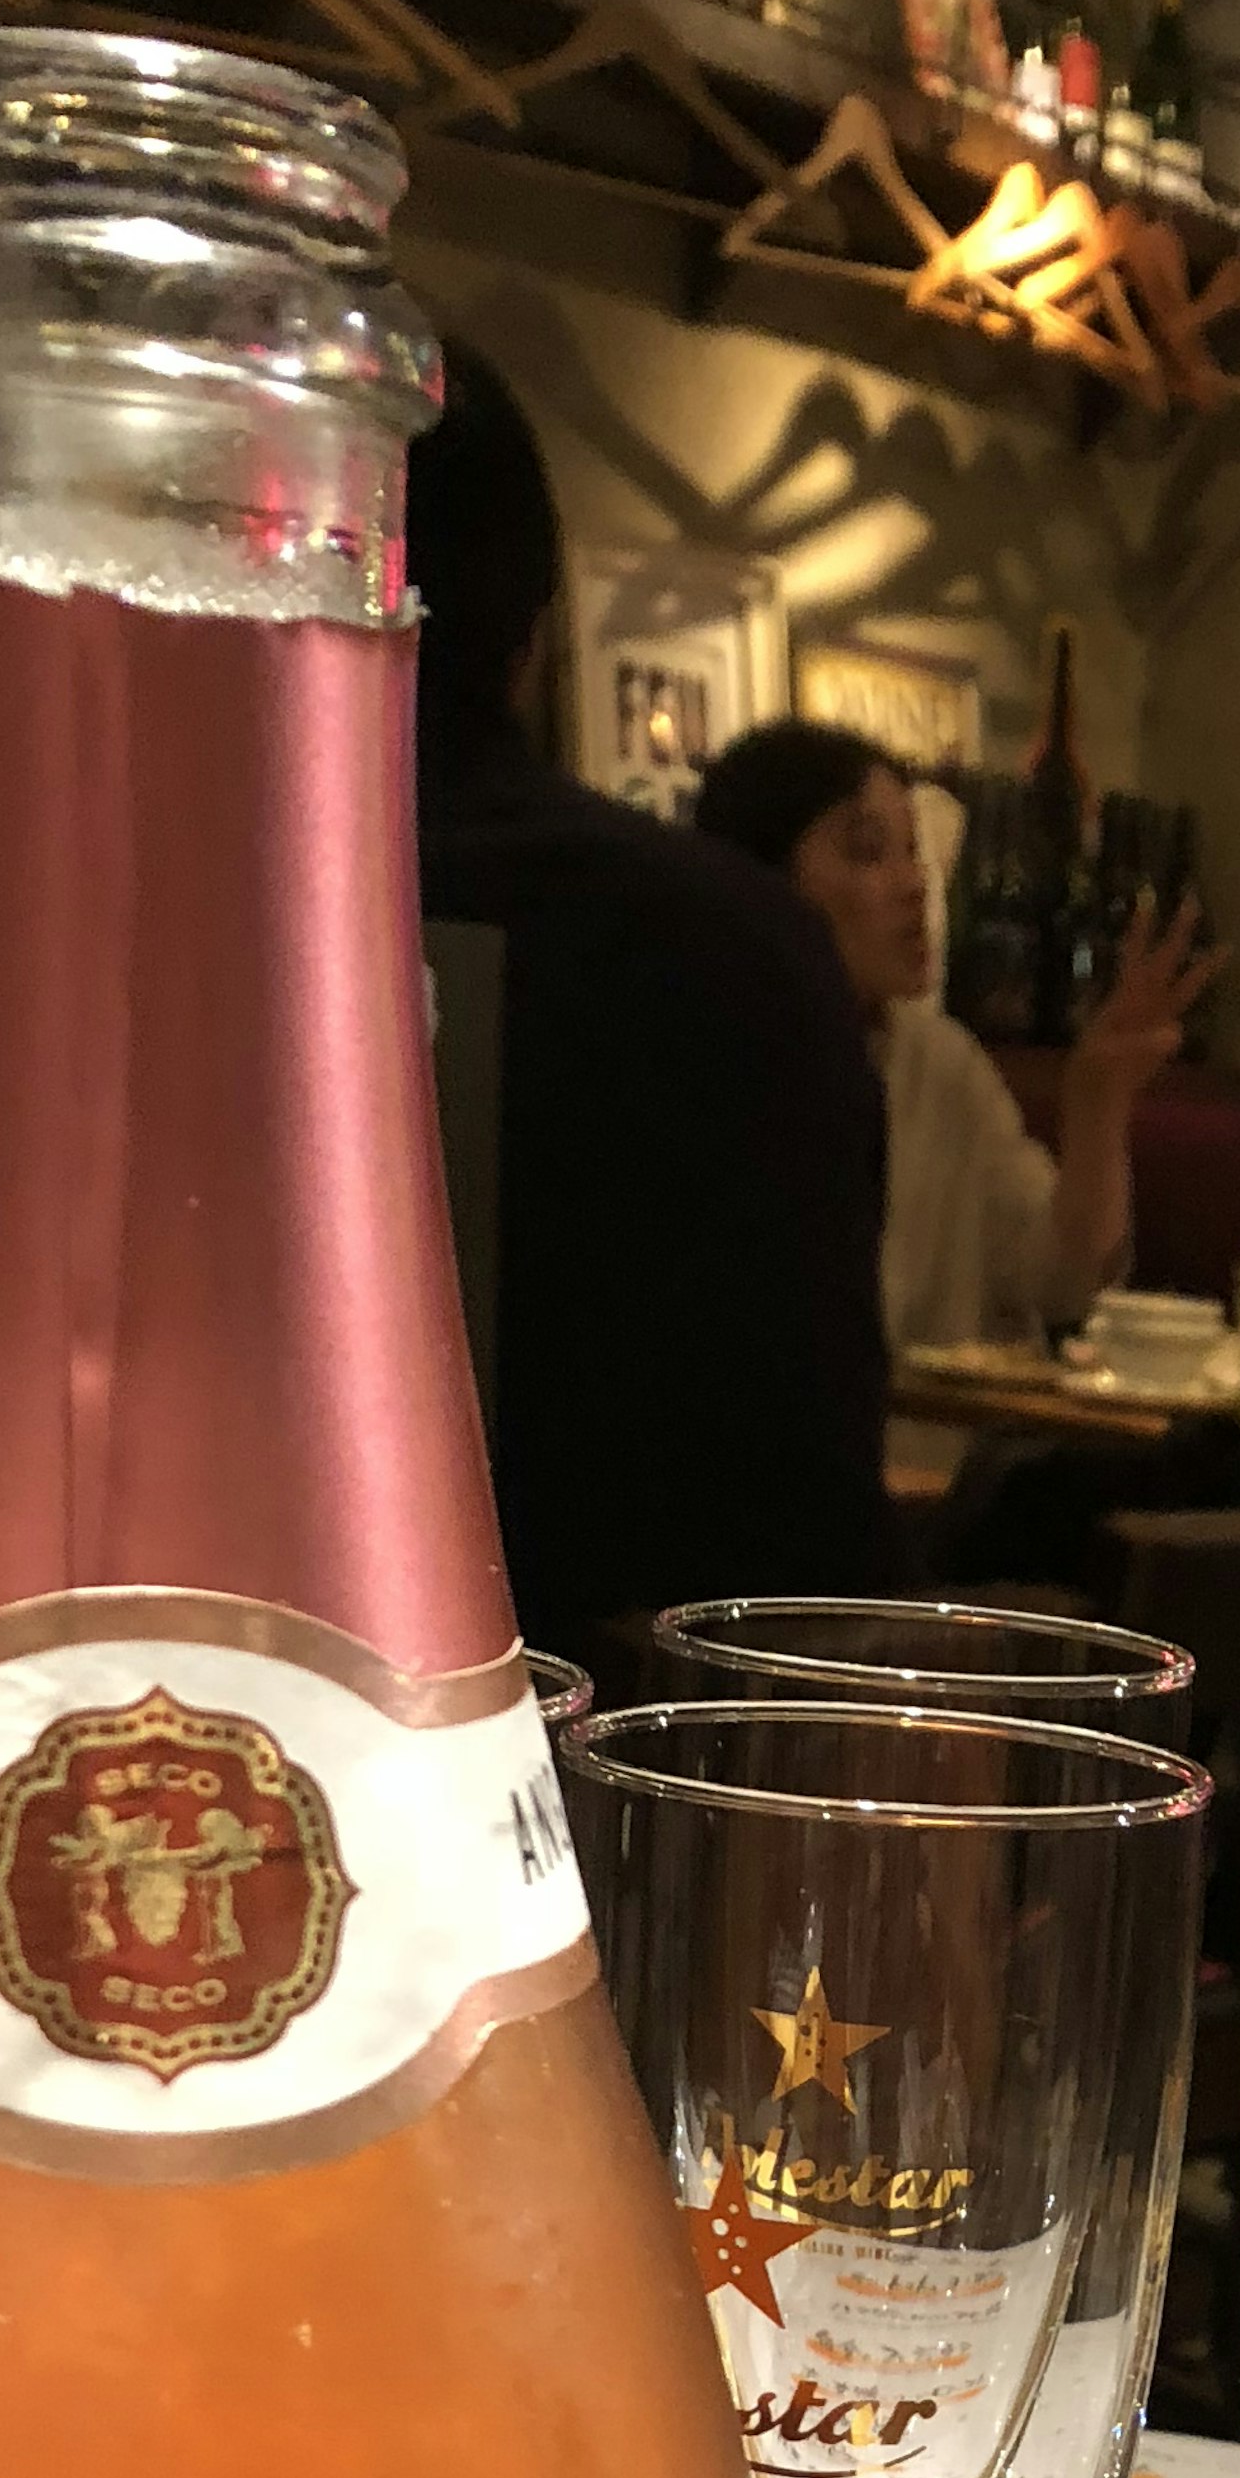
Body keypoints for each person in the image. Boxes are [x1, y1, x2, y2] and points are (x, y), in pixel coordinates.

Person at [407, 350, 892, 1658]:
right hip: (681, 1784)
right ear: (536, 637)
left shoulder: (125, 936)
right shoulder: (756, 953)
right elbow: (817, 1530)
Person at [697, 719, 1214, 1355]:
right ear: (759, 883)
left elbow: (1065, 1286)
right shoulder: (688, 1076)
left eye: (913, 849)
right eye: (868, 851)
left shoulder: (938, 1063)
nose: (915, 883)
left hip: (935, 1450)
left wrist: (1097, 1108)